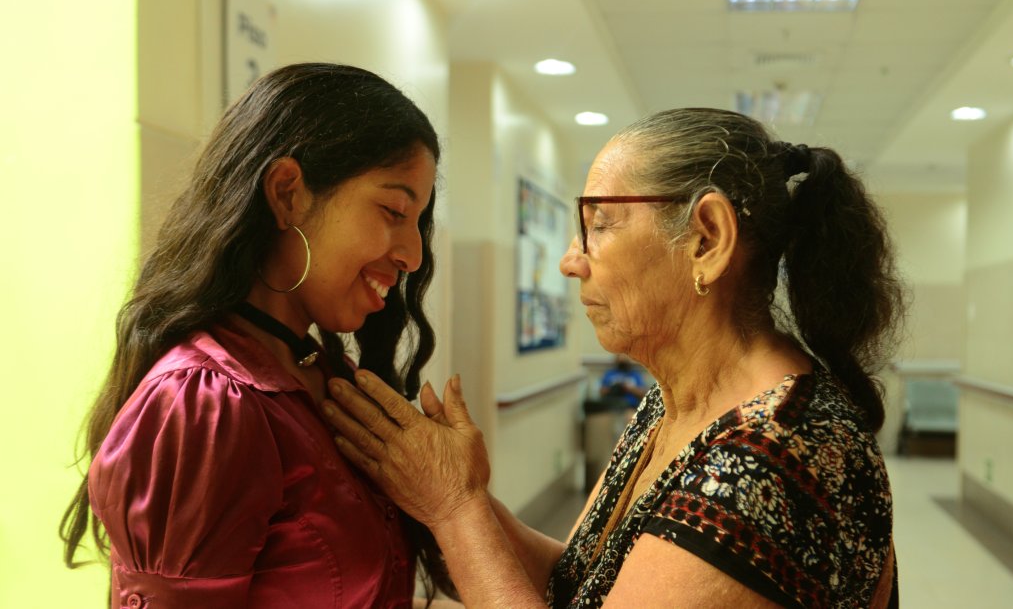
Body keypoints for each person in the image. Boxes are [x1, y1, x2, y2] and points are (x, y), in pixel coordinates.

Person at [323, 107, 905, 607]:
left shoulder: (770, 460)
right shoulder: (672, 404)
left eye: (599, 224)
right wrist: (459, 493)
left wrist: (456, 508)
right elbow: (582, 584)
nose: (571, 261)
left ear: (706, 238)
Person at [60, 63, 456, 607]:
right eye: (393, 210)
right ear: (288, 193)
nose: (412, 254)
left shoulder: (323, 376)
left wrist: (455, 497)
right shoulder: (202, 404)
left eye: (417, 222)